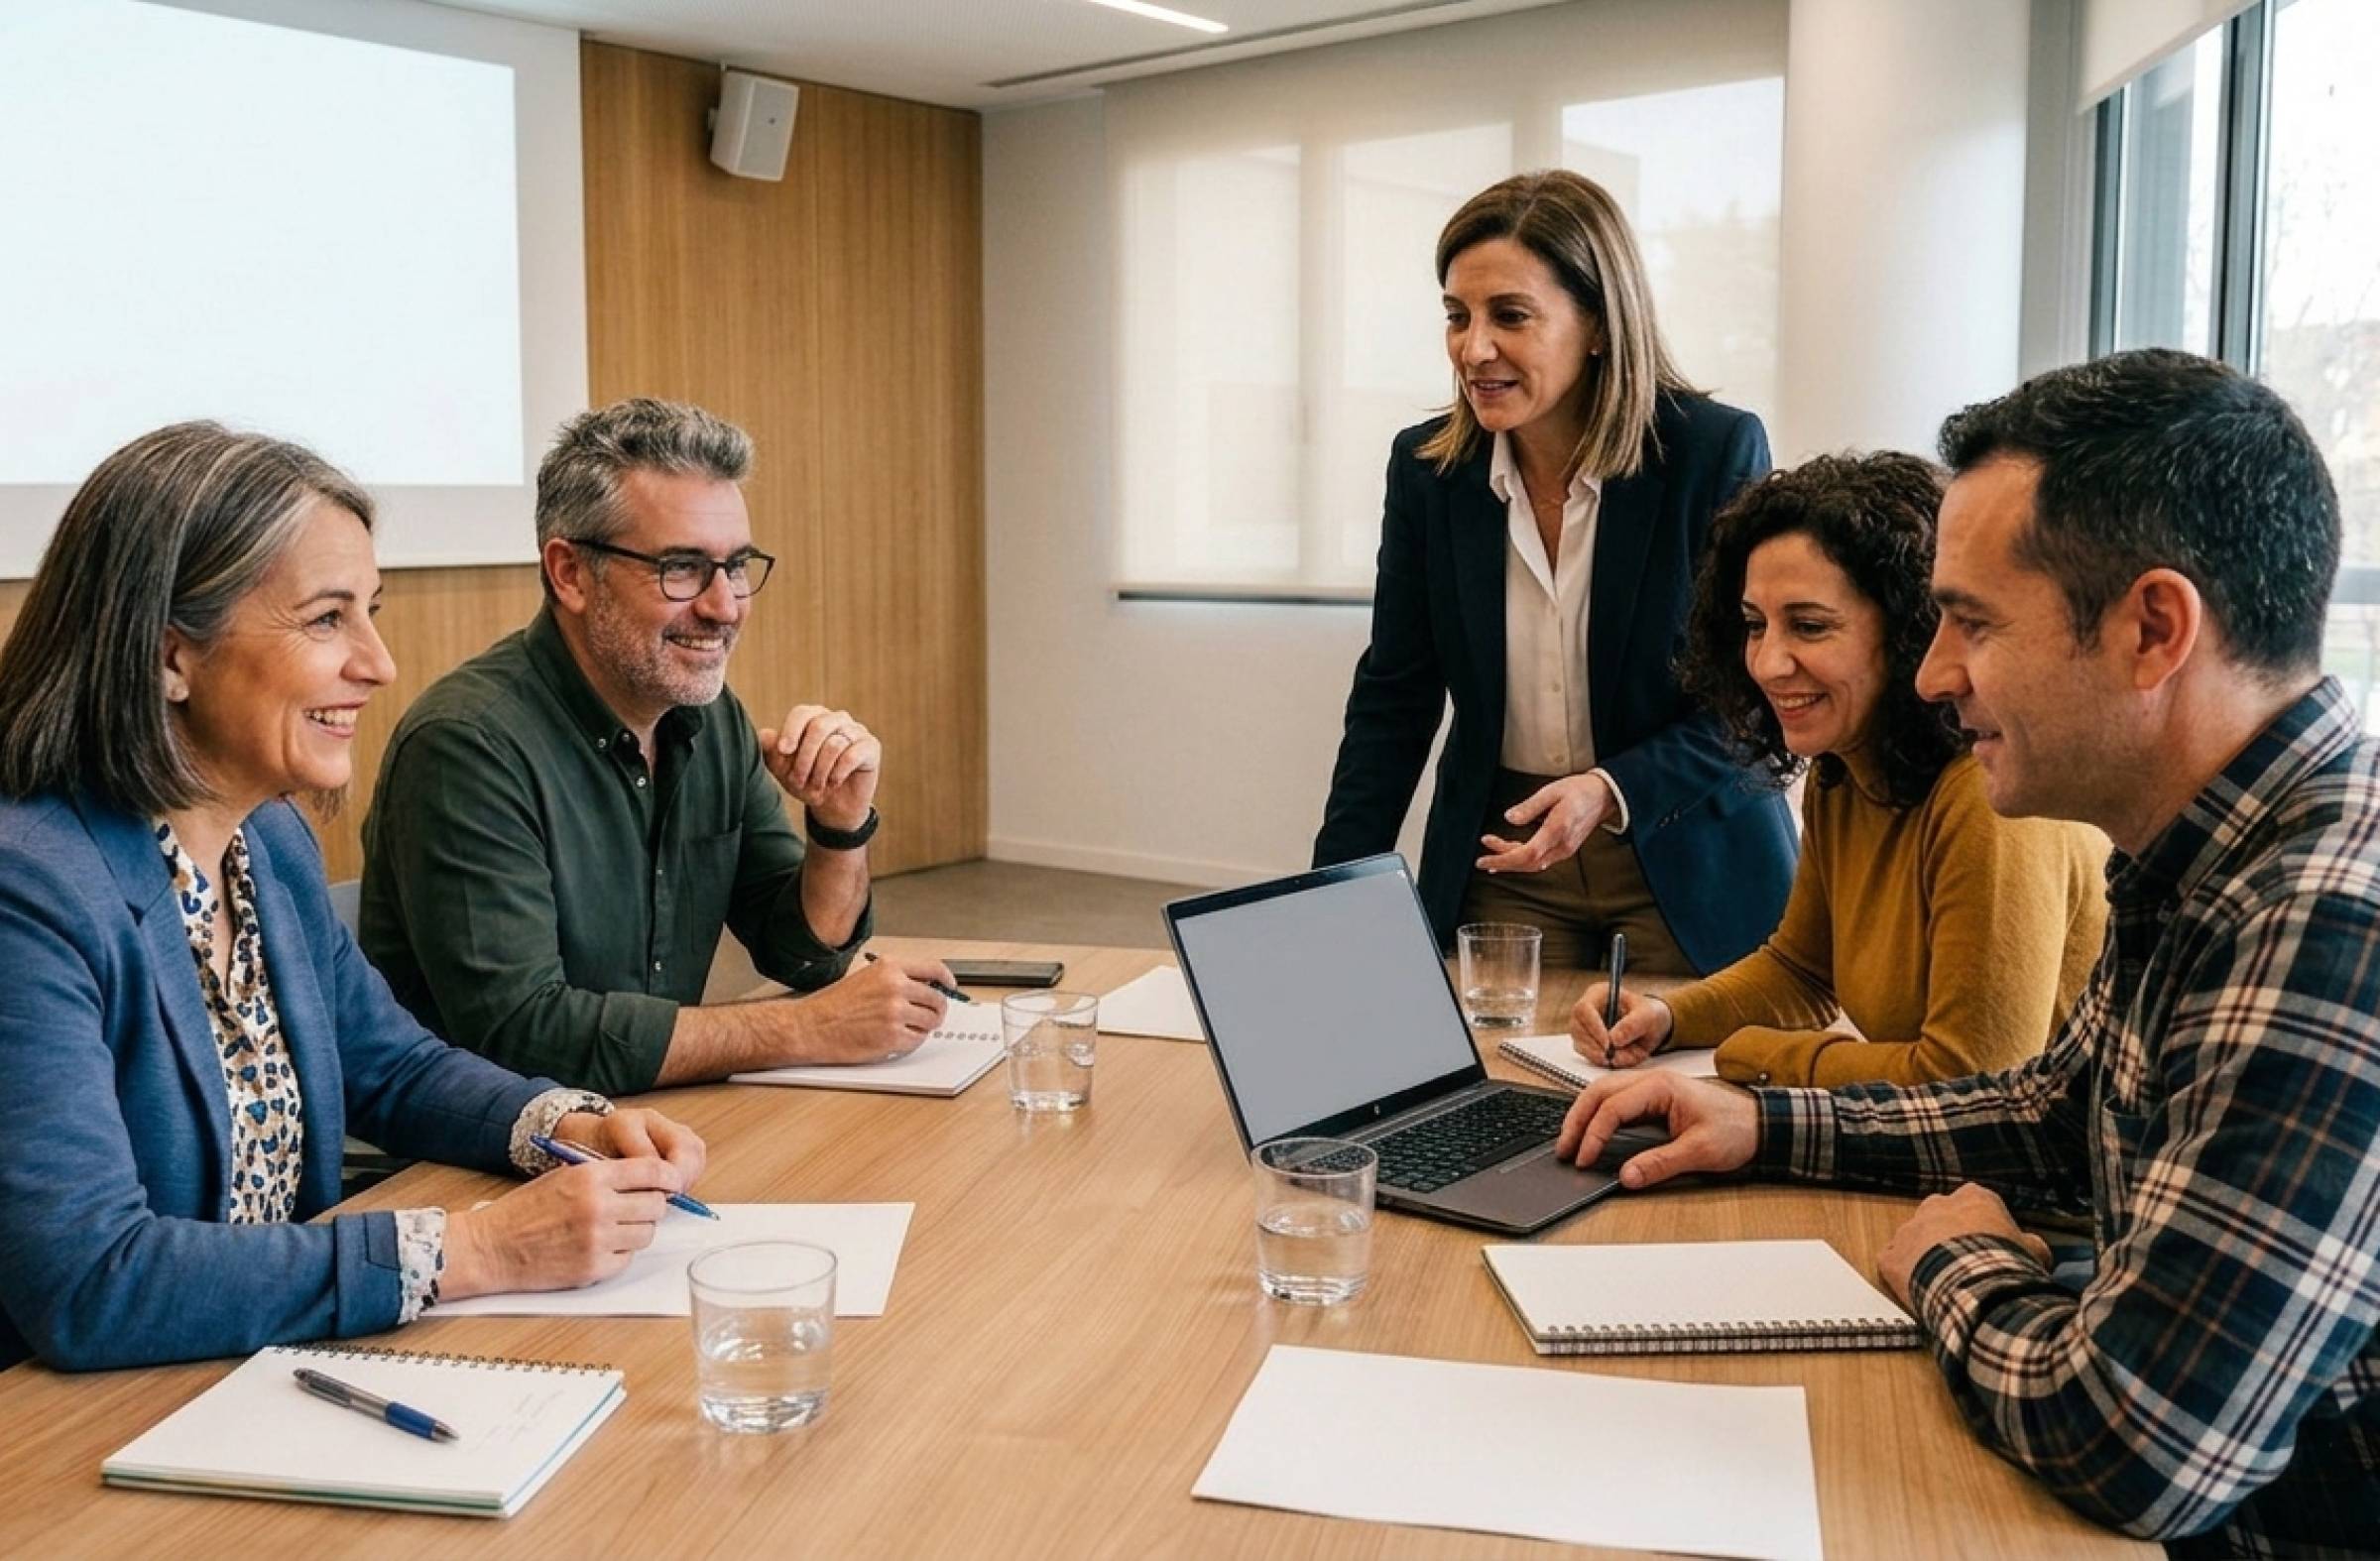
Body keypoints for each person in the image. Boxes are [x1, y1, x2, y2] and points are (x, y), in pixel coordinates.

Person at [1557, 349, 2379, 1552]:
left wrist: (1958, 1264)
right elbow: (2055, 1115)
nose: (1937, 673)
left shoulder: (2325, 915)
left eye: (1973, 622)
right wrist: (1765, 1124)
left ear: (2153, 628)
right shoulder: (2214, 856)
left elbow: (2135, 1439)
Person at [0, 422, 709, 1372]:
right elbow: (91, 1279)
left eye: (370, 612)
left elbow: (389, 1066)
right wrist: (477, 1249)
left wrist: (564, 1128)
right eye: (328, 619)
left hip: (253, 1369)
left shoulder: (269, 841)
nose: (378, 663)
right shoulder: (31, 891)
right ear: (172, 652)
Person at [360, 398, 954, 1095]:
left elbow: (800, 953)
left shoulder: (710, 718)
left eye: (736, 566)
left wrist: (840, 825)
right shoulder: (466, 745)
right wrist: (805, 1030)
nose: (724, 606)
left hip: (654, 1117)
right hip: (489, 1155)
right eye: (681, 568)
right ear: (571, 574)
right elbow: (522, 1035)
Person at [1313, 170, 1793, 975]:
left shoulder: (1711, 454)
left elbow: (1757, 705)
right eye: (1457, 317)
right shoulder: (1429, 471)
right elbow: (1394, 695)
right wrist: (1328, 891)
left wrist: (1610, 789)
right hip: (1504, 862)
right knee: (1487, 1085)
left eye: (1511, 317)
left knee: (1678, 1092)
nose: (1474, 348)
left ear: (1600, 324)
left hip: (1682, 855)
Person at [1569, 453, 2107, 1086]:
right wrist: (1665, 1017)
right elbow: (1802, 972)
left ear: (1911, 630)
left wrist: (1755, 1059)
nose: (1768, 663)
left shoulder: (1988, 798)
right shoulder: (1845, 771)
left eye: (1809, 626)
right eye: (1753, 626)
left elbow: (1968, 1077)